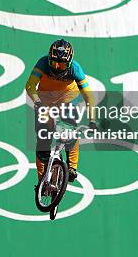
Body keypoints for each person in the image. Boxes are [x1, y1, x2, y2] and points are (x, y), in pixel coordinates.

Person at [25, 39, 97, 183]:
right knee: (43, 138)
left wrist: (92, 120)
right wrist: (38, 103)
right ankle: (41, 181)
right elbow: (30, 85)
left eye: (62, 64)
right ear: (49, 59)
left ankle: (72, 167)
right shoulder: (43, 63)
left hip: (67, 99)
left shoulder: (75, 69)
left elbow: (88, 95)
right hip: (45, 99)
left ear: (69, 62)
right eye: (54, 63)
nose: (57, 67)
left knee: (69, 132)